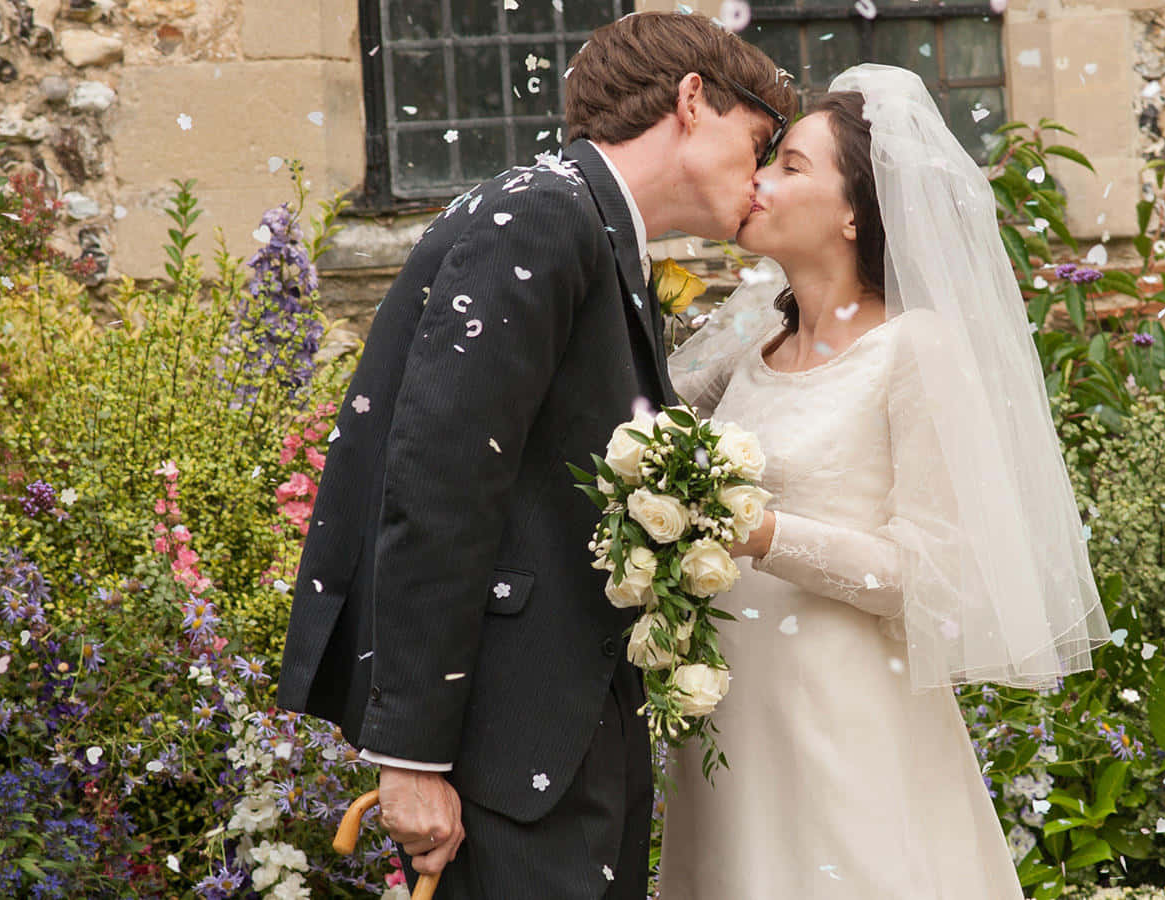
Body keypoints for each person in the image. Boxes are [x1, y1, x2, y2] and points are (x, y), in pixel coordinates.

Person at [273, 12, 796, 899]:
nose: (760, 174)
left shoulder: (585, 224)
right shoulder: (540, 217)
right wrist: (410, 755)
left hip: (556, 726)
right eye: (758, 142)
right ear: (693, 100)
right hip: (507, 748)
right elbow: (439, 483)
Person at [661, 64, 1110, 898]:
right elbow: (637, 437)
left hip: (843, 712)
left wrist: (766, 537)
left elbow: (935, 569)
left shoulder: (916, 348)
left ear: (857, 211)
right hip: (728, 716)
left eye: (791, 166)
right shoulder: (746, 347)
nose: (759, 179)